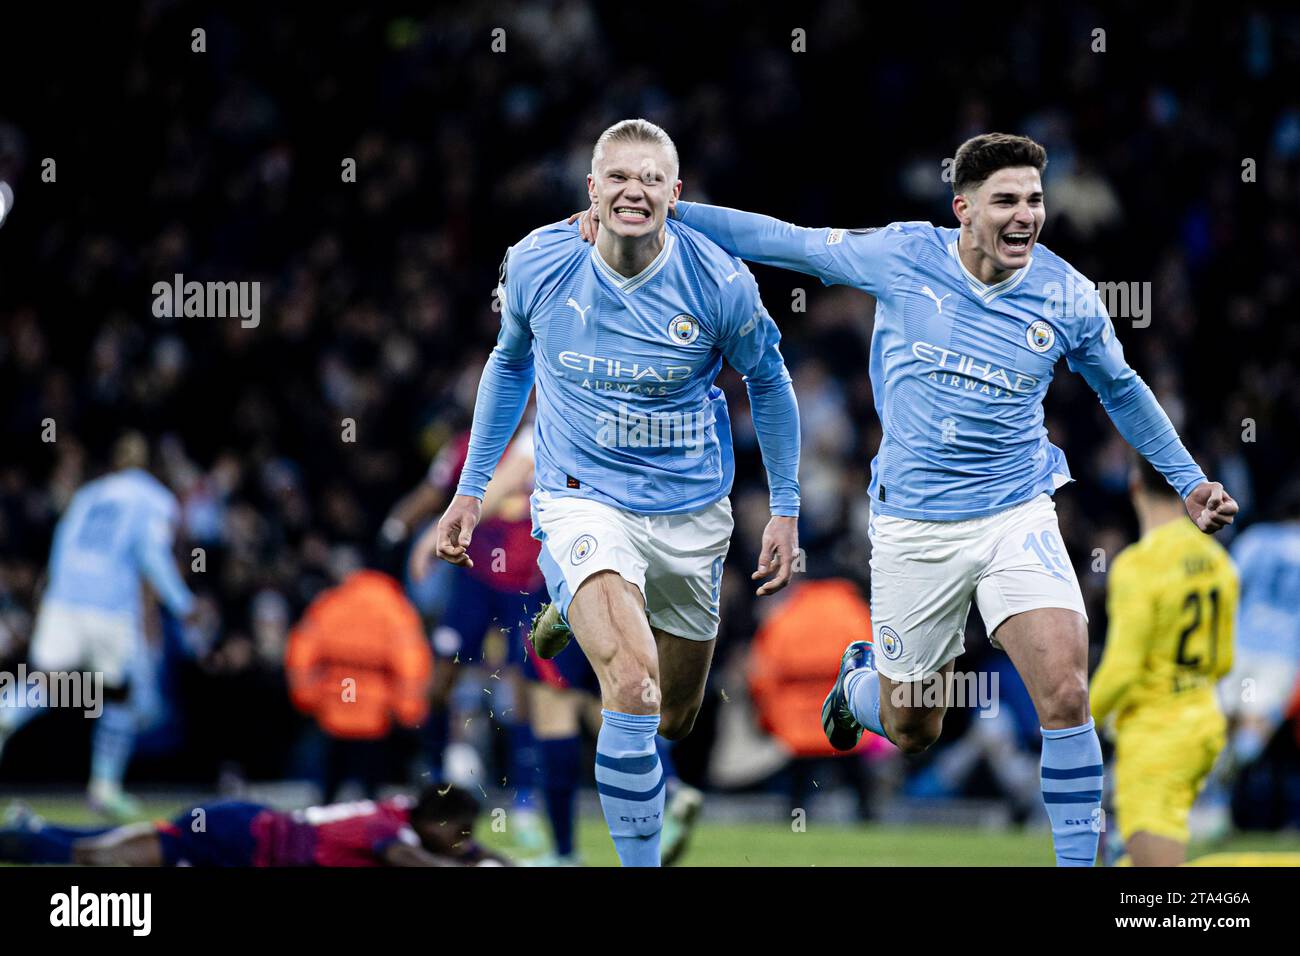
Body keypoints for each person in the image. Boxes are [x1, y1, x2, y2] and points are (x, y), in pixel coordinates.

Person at [577, 132, 1239, 866]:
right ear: (963, 209)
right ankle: (860, 686)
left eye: (1034, 200)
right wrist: (654, 212)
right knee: (914, 723)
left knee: (1065, 691)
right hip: (914, 529)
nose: (1026, 216)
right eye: (1006, 201)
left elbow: (1122, 389)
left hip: (1016, 512)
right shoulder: (903, 256)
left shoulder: (1068, 294)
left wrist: (1190, 480)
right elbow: (787, 242)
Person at [413, 118, 801, 866]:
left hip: (689, 511)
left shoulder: (718, 281)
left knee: (676, 717)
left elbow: (771, 383)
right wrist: (469, 491)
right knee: (631, 682)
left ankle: (578, 600)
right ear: (592, 190)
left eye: (651, 180)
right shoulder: (537, 262)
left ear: (674, 195)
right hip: (579, 495)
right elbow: (509, 365)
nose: (634, 191)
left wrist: (783, 507)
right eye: (618, 177)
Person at [0, 432, 196, 820]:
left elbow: (61, 546)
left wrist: (50, 601)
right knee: (119, 695)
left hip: (64, 600)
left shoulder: (88, 494)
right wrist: (182, 601)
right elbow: (150, 552)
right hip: (109, 608)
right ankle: (105, 788)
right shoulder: (153, 496)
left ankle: (5, 715)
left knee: (47, 685)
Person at [1092, 458, 1238, 865]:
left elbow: (1122, 670)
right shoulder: (1219, 561)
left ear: (1134, 483)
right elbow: (1224, 661)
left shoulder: (1138, 566)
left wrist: (1071, 723)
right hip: (1205, 722)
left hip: (1156, 734)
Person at [0, 785, 506, 866]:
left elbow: (454, 848)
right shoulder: (387, 830)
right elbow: (415, 861)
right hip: (236, 834)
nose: (460, 840)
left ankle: (32, 826)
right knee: (103, 858)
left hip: (246, 842)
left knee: (107, 849)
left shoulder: (402, 813)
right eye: (458, 830)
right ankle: (20, 836)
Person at [286, 568, 433, 801]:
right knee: (369, 778)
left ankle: (325, 816)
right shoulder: (395, 608)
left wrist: (305, 696)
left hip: (334, 702)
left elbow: (302, 651)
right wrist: (409, 709)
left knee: (331, 776)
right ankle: (368, 818)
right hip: (374, 708)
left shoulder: (330, 602)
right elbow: (410, 661)